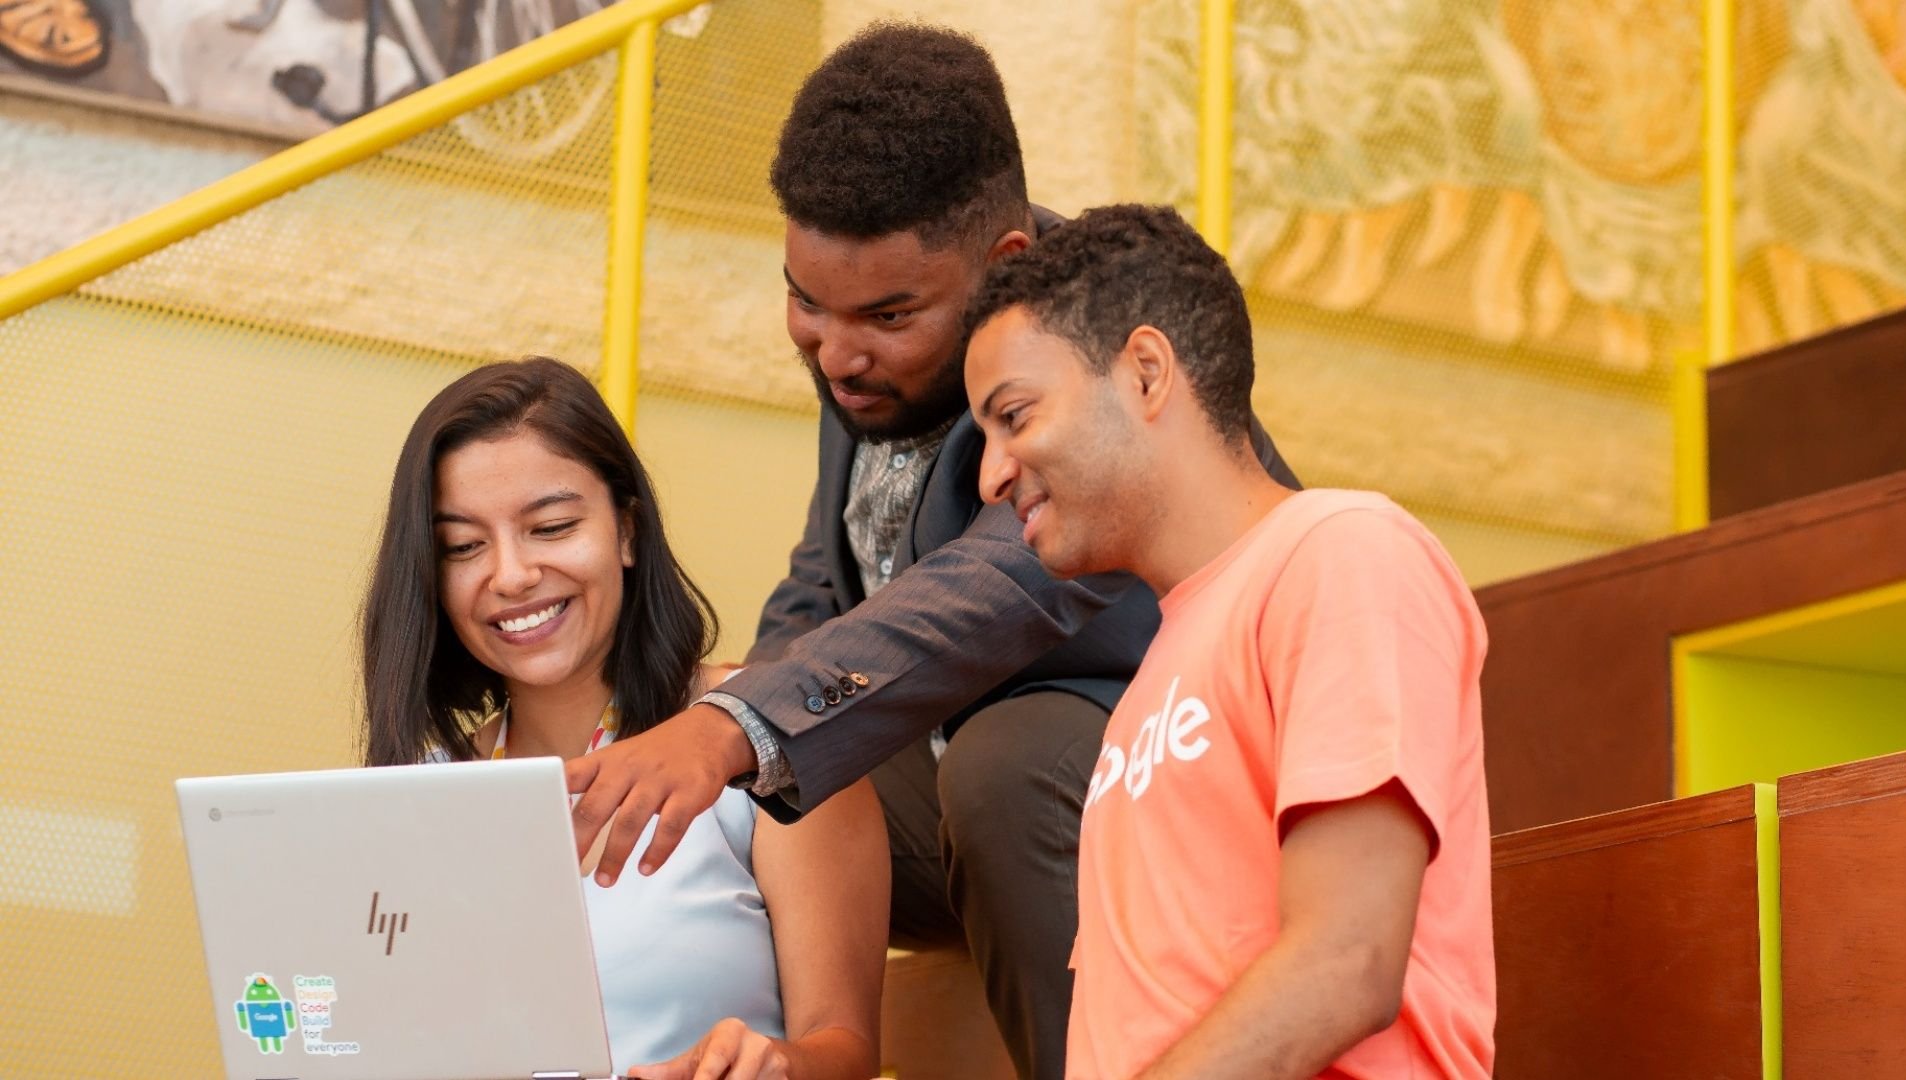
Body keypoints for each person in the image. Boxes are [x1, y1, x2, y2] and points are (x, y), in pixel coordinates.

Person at [563, 24, 1300, 1079]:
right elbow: (826, 579)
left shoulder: (1099, 334)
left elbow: (1003, 581)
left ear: (1005, 266)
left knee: (997, 767)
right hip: (975, 777)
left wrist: (731, 726)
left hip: (1160, 753)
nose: (836, 353)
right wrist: (722, 712)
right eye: (805, 302)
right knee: (746, 801)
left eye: (886, 314)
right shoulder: (868, 360)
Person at [961, 204, 1494, 1078]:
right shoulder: (1154, 677)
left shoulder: (1344, 549)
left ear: (1145, 373)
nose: (991, 475)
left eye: (1014, 417)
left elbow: (1347, 961)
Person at [359, 357, 888, 1080]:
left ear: (627, 532)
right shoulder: (417, 790)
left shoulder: (765, 738)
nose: (511, 575)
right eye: (463, 546)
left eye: (551, 526)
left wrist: (776, 1066)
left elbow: (846, 1050)